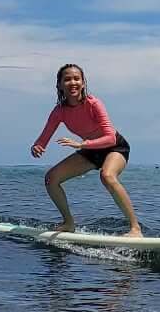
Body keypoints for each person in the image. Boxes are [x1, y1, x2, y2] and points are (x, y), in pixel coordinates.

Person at [31, 63, 141, 235]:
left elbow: (110, 137)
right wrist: (36, 147)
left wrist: (82, 144)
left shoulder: (93, 103)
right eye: (67, 79)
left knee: (107, 176)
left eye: (77, 78)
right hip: (91, 150)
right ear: (59, 85)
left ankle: (135, 228)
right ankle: (68, 223)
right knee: (51, 179)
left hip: (115, 147)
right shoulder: (59, 111)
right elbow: (42, 140)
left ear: (83, 83)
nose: (72, 82)